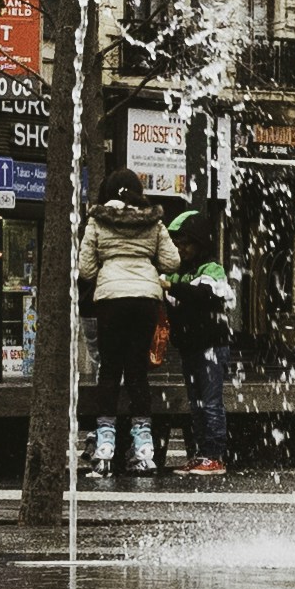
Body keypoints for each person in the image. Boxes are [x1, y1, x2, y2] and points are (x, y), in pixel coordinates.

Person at [76, 179, 178, 478]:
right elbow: (172, 261)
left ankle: (105, 441)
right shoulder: (153, 220)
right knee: (137, 371)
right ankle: (143, 443)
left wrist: (110, 267)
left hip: (110, 299)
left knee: (109, 369)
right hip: (146, 298)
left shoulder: (97, 220)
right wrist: (147, 262)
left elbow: (85, 269)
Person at [166, 208, 236, 476]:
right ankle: (200, 453)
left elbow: (204, 295)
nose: (181, 249)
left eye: (185, 244)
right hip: (190, 346)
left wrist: (170, 288)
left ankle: (215, 455)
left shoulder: (212, 269)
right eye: (177, 244)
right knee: (195, 404)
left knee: (211, 402)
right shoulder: (177, 272)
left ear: (199, 243)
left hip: (211, 346)